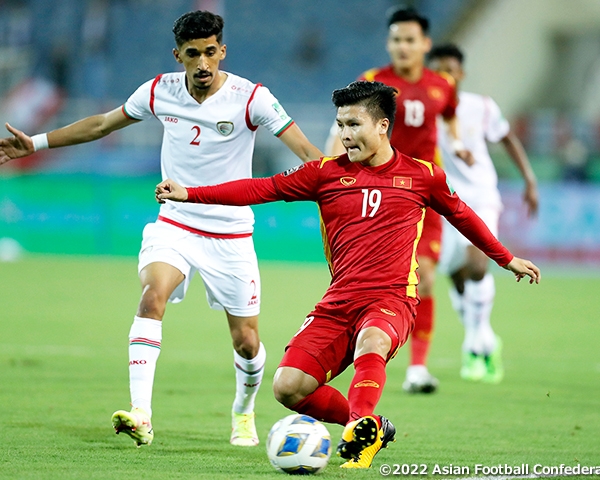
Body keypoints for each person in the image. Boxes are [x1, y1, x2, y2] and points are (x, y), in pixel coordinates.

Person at [156, 81, 541, 468]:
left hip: (393, 299)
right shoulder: (324, 173)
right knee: (288, 387)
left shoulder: (423, 176)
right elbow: (260, 189)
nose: (344, 135)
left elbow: (462, 215)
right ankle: (370, 425)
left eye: (354, 124)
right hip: (339, 302)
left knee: (372, 341)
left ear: (382, 126)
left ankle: (359, 434)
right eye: (340, 125)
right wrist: (191, 193)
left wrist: (505, 258)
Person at [0, 11, 323, 448]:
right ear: (178, 56)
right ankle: (141, 414)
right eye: (193, 54)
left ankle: (243, 410)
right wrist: (36, 143)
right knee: (152, 298)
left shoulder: (252, 98)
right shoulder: (159, 91)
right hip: (175, 222)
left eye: (210, 52)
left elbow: (306, 150)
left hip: (231, 233)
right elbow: (101, 124)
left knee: (247, 342)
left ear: (222, 51)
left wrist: (347, 185)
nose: (203, 63)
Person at [326, 7, 472, 395]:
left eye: (409, 40)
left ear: (425, 44)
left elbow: (451, 115)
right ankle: (361, 351)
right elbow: (342, 126)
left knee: (425, 278)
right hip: (380, 194)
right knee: (366, 282)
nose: (402, 47)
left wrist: (457, 142)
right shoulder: (373, 82)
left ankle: (417, 368)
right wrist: (331, 170)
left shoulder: (442, 84)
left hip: (424, 193)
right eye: (395, 40)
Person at [428, 43, 539, 383]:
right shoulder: (423, 110)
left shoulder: (481, 107)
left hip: (480, 196)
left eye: (450, 70)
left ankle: (474, 346)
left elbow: (508, 139)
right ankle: (484, 340)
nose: (446, 76)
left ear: (461, 73)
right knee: (457, 275)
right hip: (441, 199)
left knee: (478, 263)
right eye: (439, 70)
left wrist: (529, 179)